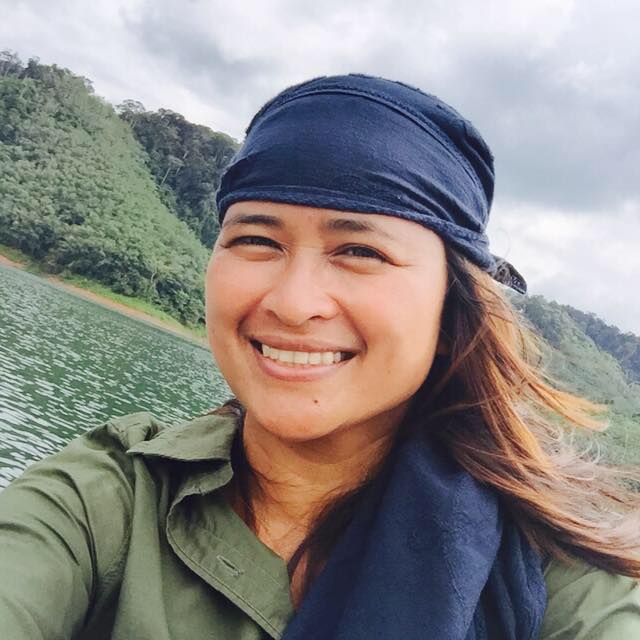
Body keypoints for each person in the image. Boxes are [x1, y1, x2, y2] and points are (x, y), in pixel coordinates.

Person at [1, 73, 639, 640]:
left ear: (451, 311)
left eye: (361, 252)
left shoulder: (559, 575)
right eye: (256, 239)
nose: (293, 302)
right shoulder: (108, 498)